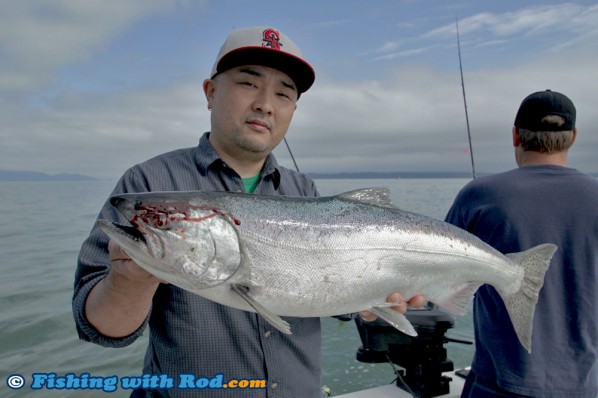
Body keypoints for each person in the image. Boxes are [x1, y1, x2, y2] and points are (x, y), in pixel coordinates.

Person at [73, 26, 424, 398]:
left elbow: (331, 298)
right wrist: (130, 280)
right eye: (247, 83)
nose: (265, 104)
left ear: (292, 110)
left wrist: (373, 298)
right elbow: (100, 329)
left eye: (284, 93)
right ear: (210, 92)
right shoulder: (147, 183)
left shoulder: (303, 191)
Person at [445, 90, 598, 397]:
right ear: (573, 136)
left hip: (497, 384)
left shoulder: (480, 194)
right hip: (585, 387)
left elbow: (439, 267)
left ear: (515, 135)